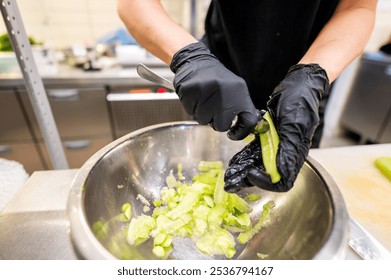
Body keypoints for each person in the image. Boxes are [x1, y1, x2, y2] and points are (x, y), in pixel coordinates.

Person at [117, 0, 377, 192]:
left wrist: (311, 76)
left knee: (283, 173)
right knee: (198, 166)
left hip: (303, 89)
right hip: (216, 75)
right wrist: (188, 56)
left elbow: (358, 8)